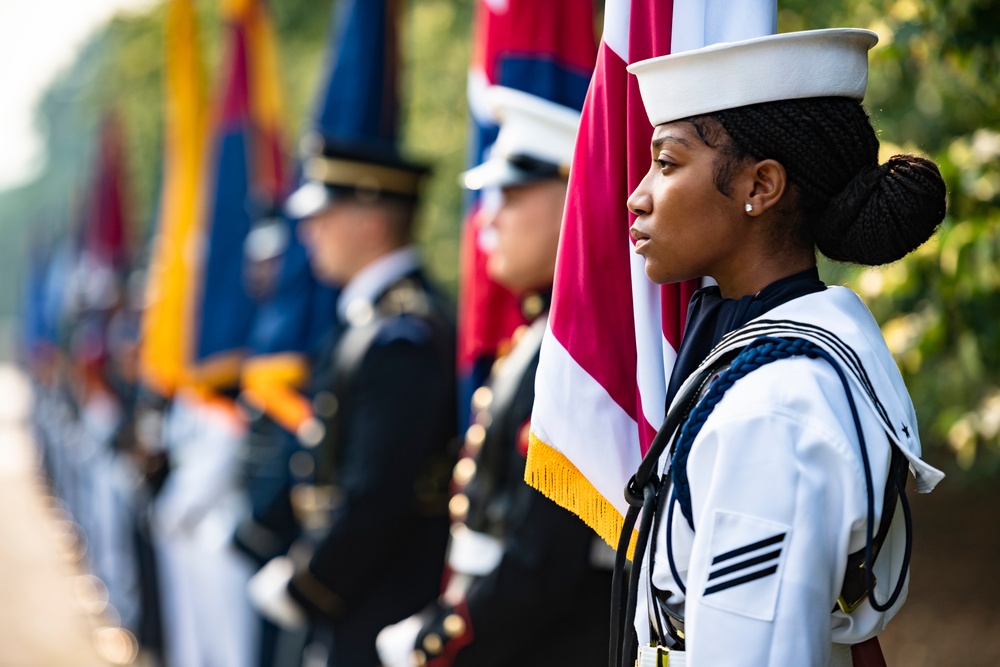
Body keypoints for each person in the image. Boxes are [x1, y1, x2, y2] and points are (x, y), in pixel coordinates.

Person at [615, 29, 947, 666]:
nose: (638, 196)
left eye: (666, 163)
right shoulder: (756, 364)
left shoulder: (776, 407)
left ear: (760, 187)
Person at [376, 87, 614, 667]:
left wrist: (441, 643)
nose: (487, 218)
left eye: (510, 193)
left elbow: (542, 564)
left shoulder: (582, 350)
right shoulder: (541, 337)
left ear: (573, 195)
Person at [247, 136, 458, 667]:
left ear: (370, 221)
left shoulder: (400, 332)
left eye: (323, 216)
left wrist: (310, 584)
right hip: (362, 595)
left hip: (384, 597)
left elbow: (378, 494)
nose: (307, 233)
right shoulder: (373, 319)